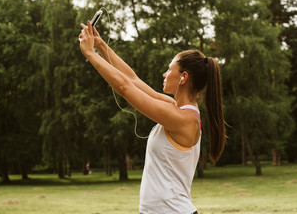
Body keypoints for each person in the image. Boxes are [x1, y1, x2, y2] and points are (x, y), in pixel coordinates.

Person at [79, 20, 226, 214]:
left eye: (169, 69)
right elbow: (132, 79)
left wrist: (90, 54)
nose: (164, 74)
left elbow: (125, 88)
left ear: (184, 77)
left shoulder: (184, 119)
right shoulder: (173, 107)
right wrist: (100, 45)